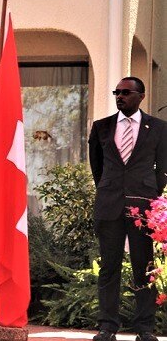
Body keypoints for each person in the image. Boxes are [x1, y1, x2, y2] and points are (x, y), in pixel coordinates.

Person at [88, 76, 167, 341]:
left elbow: (163, 168)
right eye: (116, 92)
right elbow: (97, 168)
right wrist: (109, 189)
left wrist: (150, 194)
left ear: (141, 96)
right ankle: (107, 326)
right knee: (109, 268)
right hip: (109, 205)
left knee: (143, 268)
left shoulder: (158, 128)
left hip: (142, 206)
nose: (120, 96)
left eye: (125, 92)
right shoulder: (101, 127)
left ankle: (144, 328)